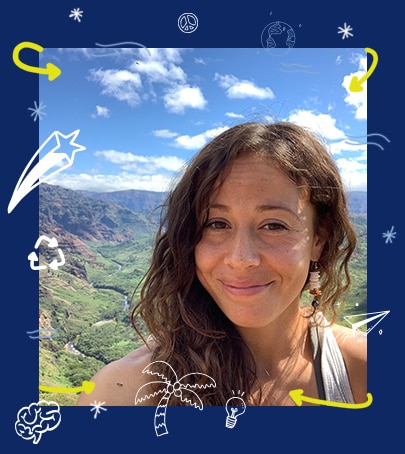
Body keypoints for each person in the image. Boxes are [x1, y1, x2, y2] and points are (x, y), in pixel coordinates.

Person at [76, 121, 367, 407]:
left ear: (319, 239)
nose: (241, 258)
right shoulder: (124, 392)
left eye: (274, 225)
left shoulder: (362, 369)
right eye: (217, 224)